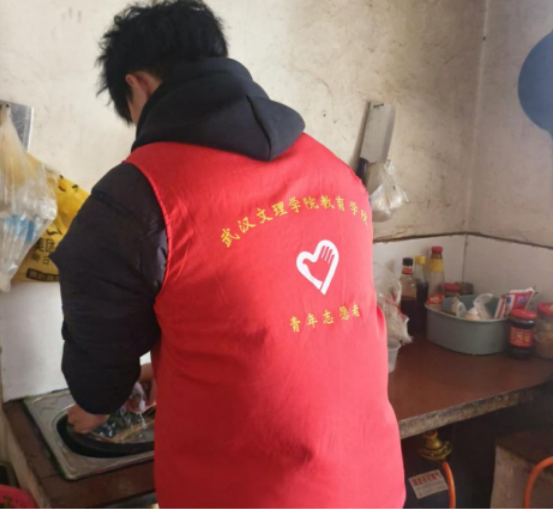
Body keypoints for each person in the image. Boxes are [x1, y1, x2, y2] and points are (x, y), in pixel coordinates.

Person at [52, 0, 405, 508]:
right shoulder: (336, 174)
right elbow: (275, 333)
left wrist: (96, 402)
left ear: (138, 85)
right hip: (373, 483)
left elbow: (98, 376)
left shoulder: (137, 197)